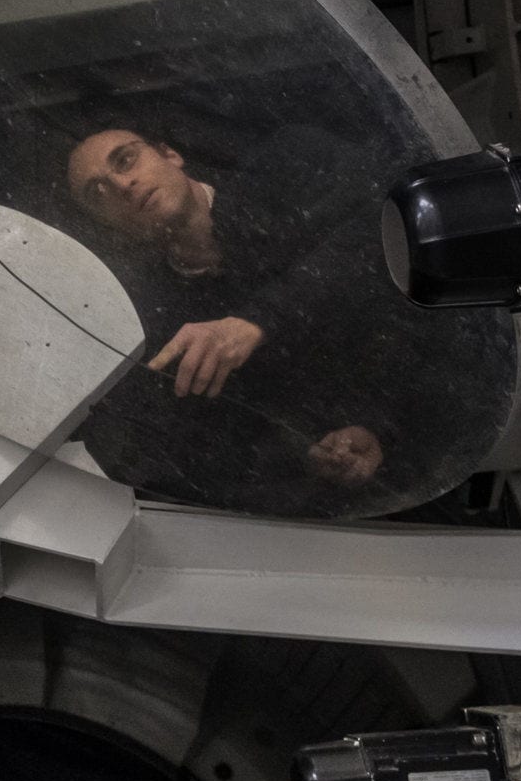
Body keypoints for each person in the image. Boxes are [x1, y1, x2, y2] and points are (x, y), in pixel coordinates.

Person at [63, 125, 398, 506]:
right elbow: (223, 436)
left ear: (170, 154)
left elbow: (381, 235)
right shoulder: (154, 320)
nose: (123, 185)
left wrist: (256, 321)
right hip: (339, 496)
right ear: (105, 226)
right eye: (99, 193)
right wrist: (317, 450)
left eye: (125, 159)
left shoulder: (287, 174)